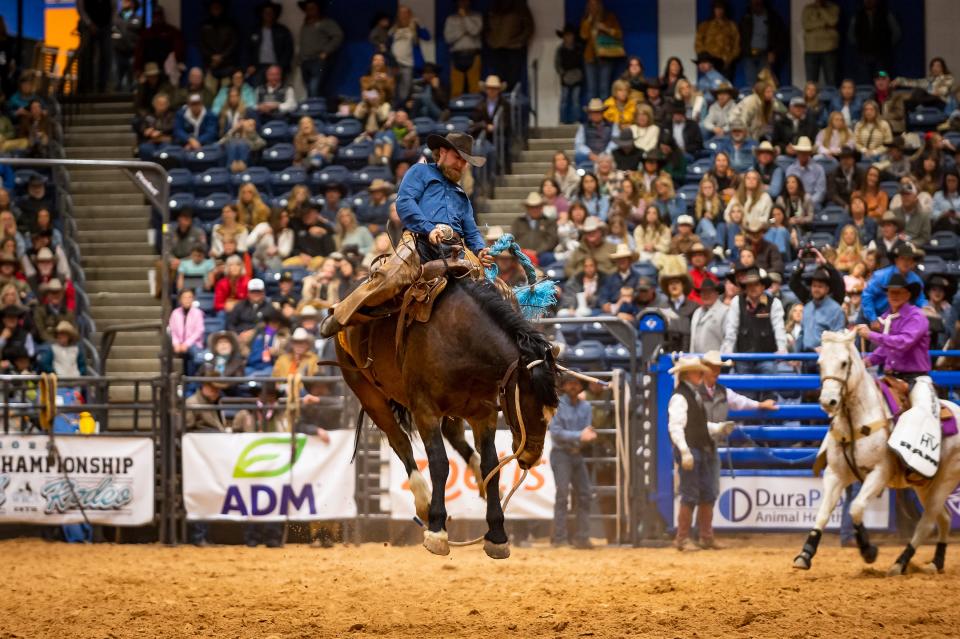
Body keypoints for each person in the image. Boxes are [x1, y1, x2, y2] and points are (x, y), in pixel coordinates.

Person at [319, 133, 491, 338]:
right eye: (458, 158)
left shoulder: (461, 194)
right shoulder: (420, 172)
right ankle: (341, 314)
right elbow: (405, 203)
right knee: (391, 277)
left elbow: (471, 230)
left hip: (455, 249)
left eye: (465, 161)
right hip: (419, 242)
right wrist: (429, 229)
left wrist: (481, 250)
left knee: (491, 291)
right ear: (442, 153)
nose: (461, 164)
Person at [855, 272, 937, 477]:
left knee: (924, 412)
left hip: (916, 378)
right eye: (891, 292)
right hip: (891, 377)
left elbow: (903, 343)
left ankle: (923, 461)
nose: (894, 295)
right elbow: (885, 350)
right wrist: (867, 361)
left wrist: (872, 335)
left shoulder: (917, 317)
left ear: (908, 294)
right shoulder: (887, 318)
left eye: (898, 292)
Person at [667, 357, 723, 551]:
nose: (701, 374)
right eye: (697, 372)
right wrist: (684, 451)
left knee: (707, 493)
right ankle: (682, 538)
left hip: (699, 449)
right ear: (688, 374)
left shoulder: (691, 394)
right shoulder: (680, 397)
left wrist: (716, 428)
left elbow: (695, 424)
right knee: (690, 494)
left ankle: (705, 536)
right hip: (692, 449)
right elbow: (675, 427)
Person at [548, 372, 596, 549]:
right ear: (564, 386)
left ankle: (581, 537)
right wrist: (580, 436)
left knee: (585, 494)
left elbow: (586, 432)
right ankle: (560, 538)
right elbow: (556, 432)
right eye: (569, 383)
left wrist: (583, 436)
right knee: (563, 496)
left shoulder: (586, 407)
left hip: (575, 454)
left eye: (576, 383)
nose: (573, 386)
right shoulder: (558, 405)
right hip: (562, 454)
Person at [722, 266, 786, 384]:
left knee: (768, 391)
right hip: (743, 357)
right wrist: (728, 350)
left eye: (756, 284)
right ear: (745, 288)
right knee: (746, 395)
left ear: (762, 286)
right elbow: (731, 327)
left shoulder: (774, 303)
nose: (752, 288)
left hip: (767, 357)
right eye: (749, 285)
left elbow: (779, 327)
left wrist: (782, 348)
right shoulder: (737, 301)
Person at [861, 242, 926, 326]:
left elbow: (920, 300)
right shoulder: (880, 276)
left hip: (898, 320)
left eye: (909, 259)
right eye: (903, 258)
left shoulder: (916, 280)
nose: (906, 262)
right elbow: (867, 296)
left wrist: (925, 308)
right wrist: (873, 319)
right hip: (873, 315)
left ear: (913, 262)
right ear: (896, 260)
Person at [483, 0, 534, 91]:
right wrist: (491, 41)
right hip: (497, 49)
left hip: (513, 49)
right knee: (498, 81)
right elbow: (486, 28)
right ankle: (501, 102)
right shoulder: (493, 7)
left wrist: (519, 41)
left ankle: (512, 102)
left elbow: (529, 27)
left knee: (513, 81)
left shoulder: (519, 7)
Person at [579, 0, 624, 101]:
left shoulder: (609, 17)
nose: (593, 7)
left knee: (604, 88)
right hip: (590, 57)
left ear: (600, 5)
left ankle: (605, 116)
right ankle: (592, 116)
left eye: (595, 5)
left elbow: (619, 34)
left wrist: (605, 28)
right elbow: (583, 36)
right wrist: (588, 21)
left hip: (606, 56)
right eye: (590, 5)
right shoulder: (586, 19)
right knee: (591, 89)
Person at [847, 0, 900, 84]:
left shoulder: (885, 14)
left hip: (881, 57)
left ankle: (883, 96)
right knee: (864, 80)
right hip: (863, 57)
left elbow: (896, 32)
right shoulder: (857, 15)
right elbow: (851, 34)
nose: (869, 1)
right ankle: (866, 97)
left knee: (881, 77)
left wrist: (886, 46)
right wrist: (860, 46)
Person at [739, 0, 787, 85]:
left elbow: (780, 37)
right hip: (749, 55)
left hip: (765, 56)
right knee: (751, 83)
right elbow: (741, 36)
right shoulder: (746, 17)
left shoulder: (772, 17)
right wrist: (744, 50)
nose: (756, 2)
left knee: (766, 83)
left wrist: (773, 51)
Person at [246, 0, 293, 80]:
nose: (268, 15)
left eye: (271, 12)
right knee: (258, 91)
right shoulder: (254, 30)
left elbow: (288, 50)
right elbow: (247, 49)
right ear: (261, 14)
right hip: (258, 68)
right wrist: (249, 65)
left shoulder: (282, 31)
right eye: (265, 12)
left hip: (277, 67)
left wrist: (280, 66)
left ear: (274, 14)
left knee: (277, 91)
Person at [444, 0, 483, 97]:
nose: (463, 3)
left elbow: (474, 31)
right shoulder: (451, 19)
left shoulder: (476, 17)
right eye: (460, 1)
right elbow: (448, 38)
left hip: (473, 55)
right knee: (456, 90)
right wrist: (463, 31)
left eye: (465, 1)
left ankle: (476, 110)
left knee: (474, 88)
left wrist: (465, 17)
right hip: (457, 55)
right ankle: (457, 110)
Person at [694, 1, 739, 80]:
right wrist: (704, 60)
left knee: (725, 88)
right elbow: (698, 44)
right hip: (710, 63)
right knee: (709, 87)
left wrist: (730, 59)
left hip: (726, 64)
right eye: (717, 9)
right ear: (713, 10)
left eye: (721, 9)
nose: (719, 11)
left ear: (725, 10)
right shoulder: (705, 25)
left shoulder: (731, 26)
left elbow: (737, 44)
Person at [802, 0, 839, 86]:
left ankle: (831, 99)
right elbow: (806, 25)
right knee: (811, 81)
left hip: (829, 48)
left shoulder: (834, 8)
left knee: (831, 80)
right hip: (811, 48)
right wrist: (823, 24)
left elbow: (832, 21)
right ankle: (812, 99)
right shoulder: (808, 8)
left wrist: (821, 9)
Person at [169, 288, 205, 376]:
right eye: (184, 297)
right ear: (180, 299)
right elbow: (172, 330)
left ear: (193, 299)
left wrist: (186, 344)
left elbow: (199, 330)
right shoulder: (175, 313)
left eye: (190, 297)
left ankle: (191, 380)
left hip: (194, 344)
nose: (187, 300)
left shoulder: (198, 313)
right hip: (178, 345)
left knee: (193, 356)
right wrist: (176, 343)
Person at [554, 24, 585, 125]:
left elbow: (582, 62)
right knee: (564, 99)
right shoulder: (560, 49)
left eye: (571, 35)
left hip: (577, 77)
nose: (569, 38)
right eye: (566, 35)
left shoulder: (578, 49)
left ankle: (576, 119)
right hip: (565, 78)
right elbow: (557, 63)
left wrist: (580, 73)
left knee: (575, 100)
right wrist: (562, 73)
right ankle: (562, 120)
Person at [785, 137, 826, 207]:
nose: (803, 154)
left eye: (805, 152)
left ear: (809, 153)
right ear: (797, 152)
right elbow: (787, 190)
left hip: (813, 205)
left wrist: (807, 204)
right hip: (794, 204)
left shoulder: (818, 169)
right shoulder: (790, 169)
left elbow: (820, 193)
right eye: (800, 152)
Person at [690, 279, 728, 353]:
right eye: (703, 292)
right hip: (697, 360)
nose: (706, 295)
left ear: (717, 293)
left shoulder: (725, 311)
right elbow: (692, 341)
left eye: (709, 292)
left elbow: (728, 340)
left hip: (716, 361)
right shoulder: (696, 312)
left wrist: (723, 360)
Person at [574, 99, 615, 165]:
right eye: (593, 112)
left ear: (602, 113)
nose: (595, 115)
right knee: (579, 156)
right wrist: (590, 154)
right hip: (590, 156)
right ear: (589, 114)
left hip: (607, 155)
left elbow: (615, 142)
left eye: (598, 112)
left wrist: (605, 154)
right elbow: (578, 144)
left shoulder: (612, 125)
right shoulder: (583, 126)